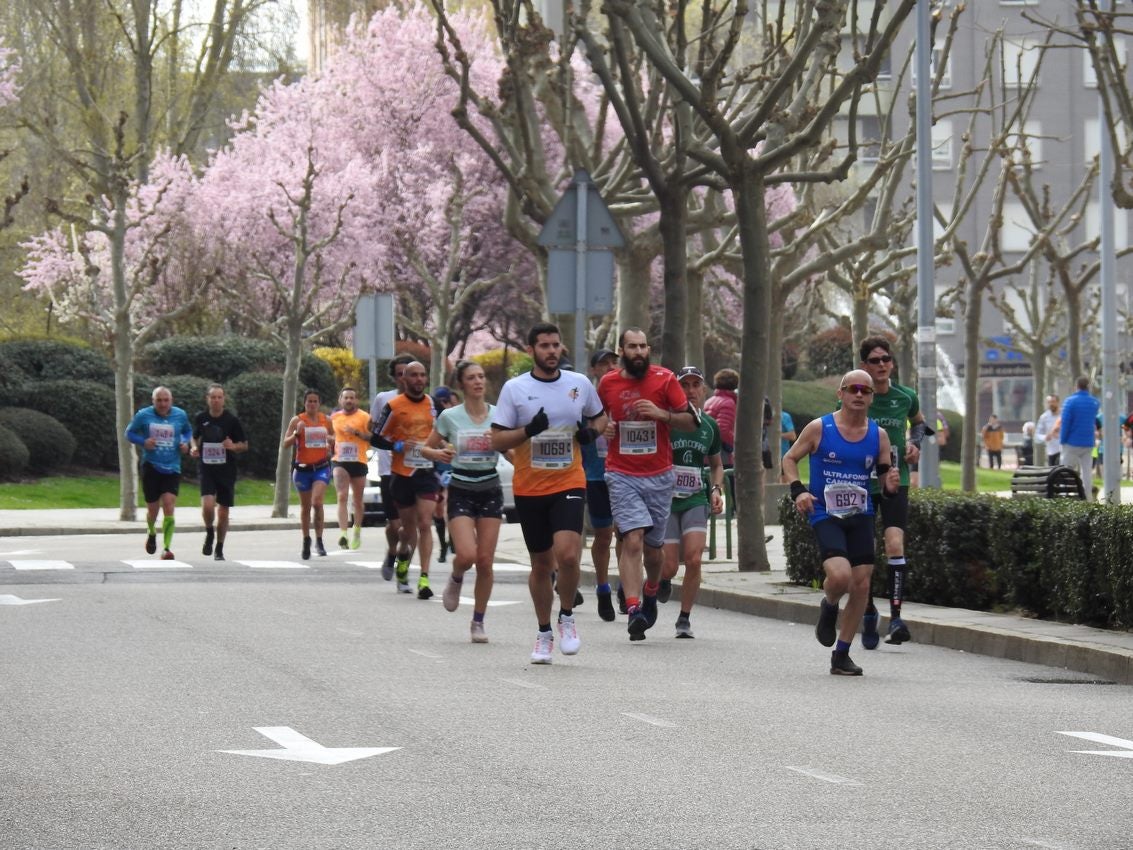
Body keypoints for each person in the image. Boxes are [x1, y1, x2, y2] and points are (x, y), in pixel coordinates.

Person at [490, 322, 605, 664]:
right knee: (541, 563)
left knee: (568, 556)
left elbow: (600, 419)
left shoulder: (579, 384)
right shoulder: (515, 389)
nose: (552, 351)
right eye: (544, 346)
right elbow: (496, 439)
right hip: (529, 486)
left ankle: (566, 616)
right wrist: (528, 431)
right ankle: (543, 633)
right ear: (532, 351)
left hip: (569, 481)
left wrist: (589, 434)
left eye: (556, 345)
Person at [782, 370, 900, 676]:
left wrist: (890, 484)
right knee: (840, 576)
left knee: (862, 583)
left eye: (866, 390)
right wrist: (799, 491)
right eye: (853, 389)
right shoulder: (820, 428)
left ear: (873, 396)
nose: (859, 395)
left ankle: (842, 654)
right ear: (841, 393)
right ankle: (830, 603)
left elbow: (886, 477)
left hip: (861, 514)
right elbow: (790, 459)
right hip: (825, 511)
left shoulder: (879, 436)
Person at [597, 327, 697, 642]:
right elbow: (595, 418)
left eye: (643, 346)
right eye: (632, 347)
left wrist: (662, 414)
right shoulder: (608, 383)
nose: (639, 352)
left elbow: (691, 421)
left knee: (654, 553)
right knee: (633, 540)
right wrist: (605, 428)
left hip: (658, 474)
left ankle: (651, 590)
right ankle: (633, 607)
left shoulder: (665, 379)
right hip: (621, 473)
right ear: (622, 350)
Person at [424, 361, 504, 642]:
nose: (479, 381)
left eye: (482, 376)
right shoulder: (450, 417)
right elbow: (426, 447)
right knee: (468, 555)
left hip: (491, 487)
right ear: (462, 383)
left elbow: (512, 449)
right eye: (472, 378)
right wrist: (438, 455)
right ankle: (457, 574)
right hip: (461, 488)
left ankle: (478, 621)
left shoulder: (499, 415)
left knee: (485, 561)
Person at [858, 336, 930, 648]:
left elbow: (920, 424)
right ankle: (868, 610)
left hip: (894, 482)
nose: (882, 365)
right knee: (865, 554)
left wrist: (916, 444)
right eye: (875, 361)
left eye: (886, 359)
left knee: (895, 542)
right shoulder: (857, 396)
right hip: (861, 482)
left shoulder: (906, 396)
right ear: (865, 366)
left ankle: (897, 618)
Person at [660, 366, 725, 639]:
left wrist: (717, 489)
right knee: (670, 565)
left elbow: (717, 465)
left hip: (696, 497)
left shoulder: (710, 426)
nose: (690, 391)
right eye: (684, 385)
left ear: (704, 390)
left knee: (695, 559)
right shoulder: (666, 422)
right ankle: (661, 580)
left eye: (695, 385)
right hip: (665, 498)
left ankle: (684, 618)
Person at [370, 361, 440, 598]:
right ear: (404, 380)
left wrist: (443, 449)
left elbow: (444, 433)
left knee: (424, 523)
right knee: (408, 532)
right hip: (401, 476)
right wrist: (397, 445)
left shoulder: (434, 405)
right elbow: (376, 438)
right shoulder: (393, 406)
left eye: (423, 375)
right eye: (414, 376)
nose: (419, 379)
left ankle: (424, 578)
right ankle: (402, 562)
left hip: (427, 474)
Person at [125, 386, 193, 560]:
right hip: (151, 466)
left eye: (166, 400)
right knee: (153, 509)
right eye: (159, 400)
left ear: (171, 400)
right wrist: (143, 441)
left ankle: (167, 548)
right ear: (153, 401)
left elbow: (187, 431)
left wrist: (185, 443)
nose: (163, 404)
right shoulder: (144, 415)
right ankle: (152, 531)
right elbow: (129, 433)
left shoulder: (180, 415)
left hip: (172, 467)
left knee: (169, 504)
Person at [190, 383, 248, 561]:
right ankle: (209, 532)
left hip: (226, 469)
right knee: (207, 505)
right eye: (212, 397)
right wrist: (193, 448)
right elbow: (194, 436)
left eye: (219, 397)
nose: (216, 400)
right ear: (207, 399)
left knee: (223, 512)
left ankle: (220, 548)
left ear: (224, 399)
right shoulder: (201, 418)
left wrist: (233, 446)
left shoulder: (231, 420)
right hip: (207, 467)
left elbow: (244, 445)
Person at [583, 348, 620, 621]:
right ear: (594, 370)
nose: (609, 367)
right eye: (603, 364)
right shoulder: (585, 400)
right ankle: (603, 586)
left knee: (628, 534)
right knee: (604, 534)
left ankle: (624, 585)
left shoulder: (625, 397)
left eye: (613, 362)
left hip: (626, 474)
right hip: (595, 476)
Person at [370, 354, 414, 579]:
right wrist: (392, 442)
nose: (405, 378)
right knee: (396, 525)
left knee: (411, 526)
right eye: (400, 374)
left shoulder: (424, 402)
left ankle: (403, 570)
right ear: (394, 377)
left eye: (409, 373)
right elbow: (373, 428)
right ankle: (392, 551)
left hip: (416, 471)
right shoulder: (384, 399)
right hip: (389, 470)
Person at [283, 388, 334, 559]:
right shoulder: (298, 420)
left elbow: (333, 441)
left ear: (319, 403)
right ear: (304, 403)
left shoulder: (326, 420)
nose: (312, 404)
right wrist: (297, 433)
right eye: (309, 401)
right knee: (305, 507)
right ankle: (306, 540)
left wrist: (331, 446)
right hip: (302, 469)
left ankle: (319, 540)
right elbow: (285, 443)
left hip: (320, 468)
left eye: (315, 401)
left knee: (317, 502)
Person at [330, 387, 371, 550]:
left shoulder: (364, 417)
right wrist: (329, 439)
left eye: (352, 398)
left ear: (356, 400)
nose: (349, 400)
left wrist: (357, 433)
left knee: (357, 501)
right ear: (340, 400)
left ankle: (357, 531)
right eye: (345, 397)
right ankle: (343, 534)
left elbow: (371, 437)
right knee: (341, 496)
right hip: (340, 461)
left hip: (359, 461)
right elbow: (332, 435)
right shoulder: (334, 418)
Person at [1060, 376, 1101, 500]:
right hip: (1088, 442)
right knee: (1087, 472)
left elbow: (1066, 423)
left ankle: (1064, 495)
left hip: (1072, 441)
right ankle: (1087, 497)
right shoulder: (1094, 402)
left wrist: (1062, 440)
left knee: (1066, 469)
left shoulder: (1070, 401)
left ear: (1076, 386)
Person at [431, 385, 459, 564]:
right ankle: (443, 545)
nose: (450, 405)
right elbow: (429, 442)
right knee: (438, 509)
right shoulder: (436, 419)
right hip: (435, 469)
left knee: (448, 505)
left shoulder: (458, 419)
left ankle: (452, 541)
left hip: (452, 468)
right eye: (447, 402)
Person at [1035, 394, 1061, 466]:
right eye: (1049, 402)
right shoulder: (1044, 417)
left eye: (1053, 402)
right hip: (1051, 451)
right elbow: (1037, 435)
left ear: (1058, 402)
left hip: (1063, 449)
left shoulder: (1064, 415)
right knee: (1053, 473)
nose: (1051, 404)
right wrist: (1045, 437)